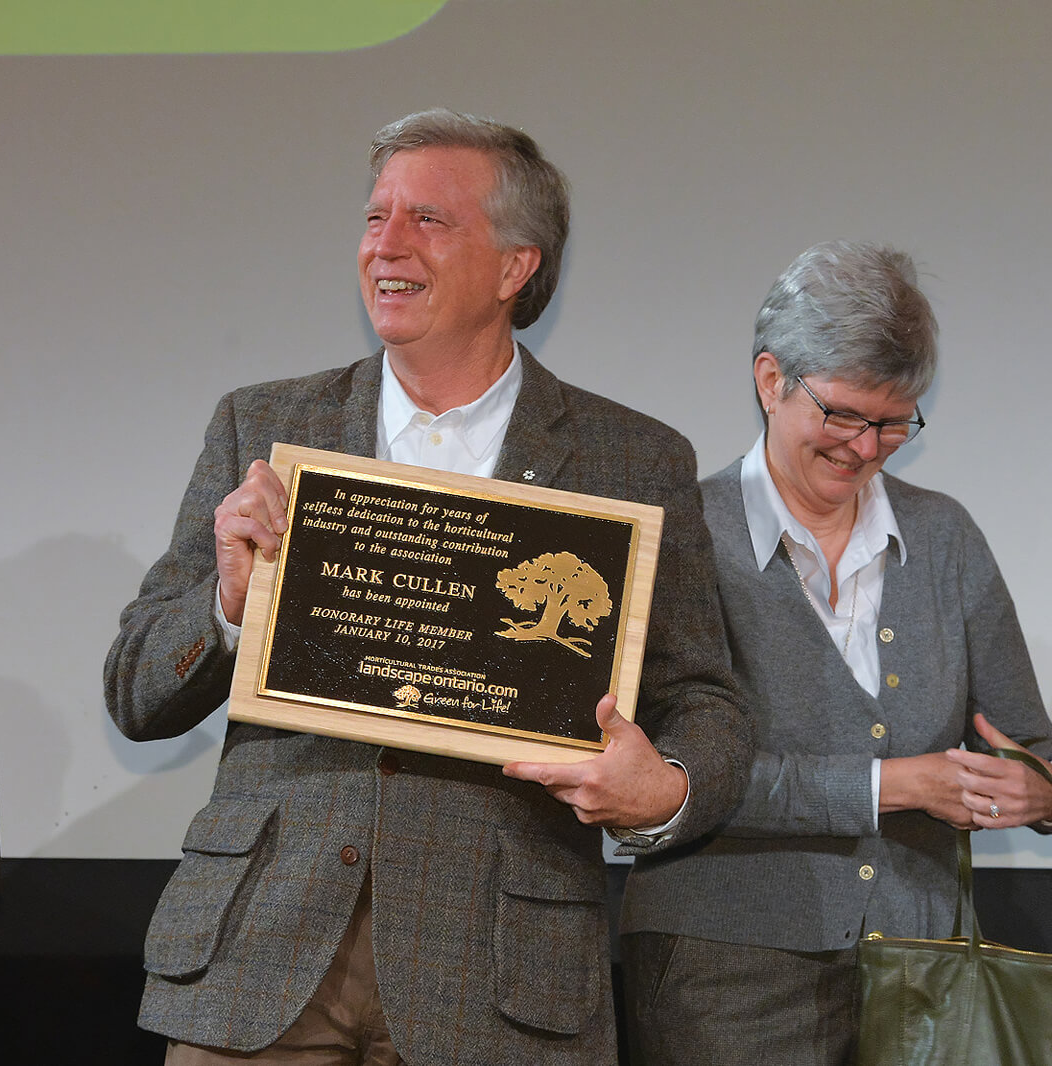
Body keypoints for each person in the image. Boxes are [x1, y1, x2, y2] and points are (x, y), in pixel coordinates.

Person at [105, 108, 750, 1065]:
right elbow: (135, 690)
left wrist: (663, 788)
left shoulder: (632, 458)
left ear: (515, 266)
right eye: (374, 219)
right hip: (262, 961)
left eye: (428, 221)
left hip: (496, 976)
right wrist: (230, 607)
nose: (385, 247)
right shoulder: (265, 426)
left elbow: (706, 700)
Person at [620, 241, 1052, 1066]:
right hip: (722, 976)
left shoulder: (945, 536)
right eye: (844, 416)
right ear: (770, 380)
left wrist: (1032, 792)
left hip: (924, 977)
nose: (865, 446)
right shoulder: (681, 535)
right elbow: (663, 779)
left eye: (894, 422)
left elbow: (1030, 746)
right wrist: (892, 785)